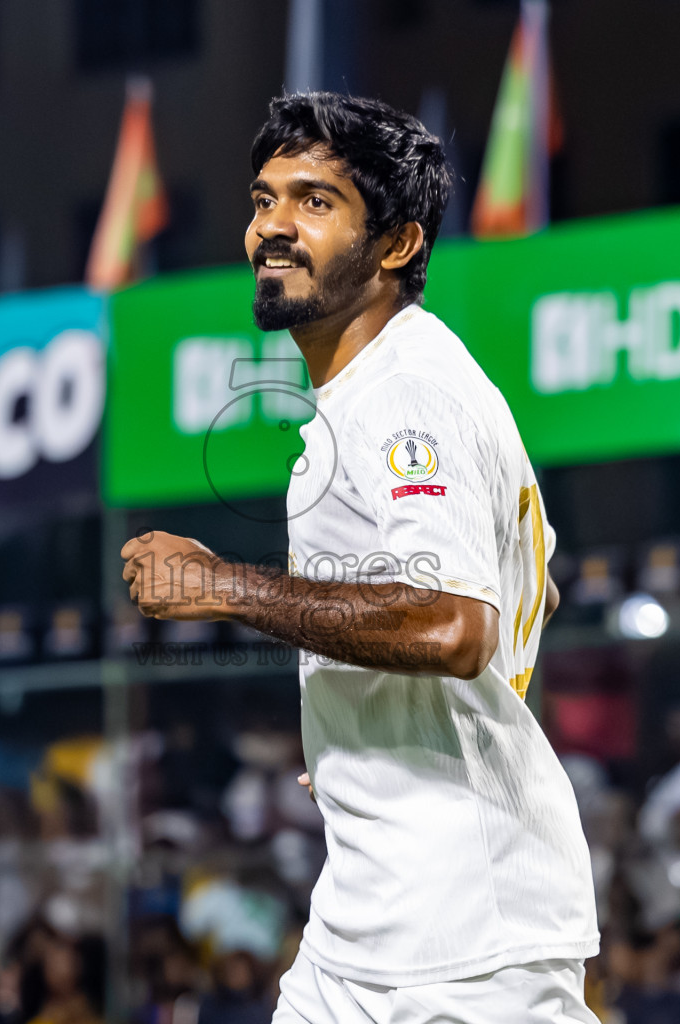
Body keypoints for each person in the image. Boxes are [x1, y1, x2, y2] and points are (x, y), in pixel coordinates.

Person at [120, 92, 599, 1024]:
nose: (272, 228)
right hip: (370, 925)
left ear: (396, 246)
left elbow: (456, 626)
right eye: (264, 200)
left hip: (468, 939)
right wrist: (359, 722)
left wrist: (220, 583)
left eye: (315, 202)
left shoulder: (406, 395)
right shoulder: (371, 392)